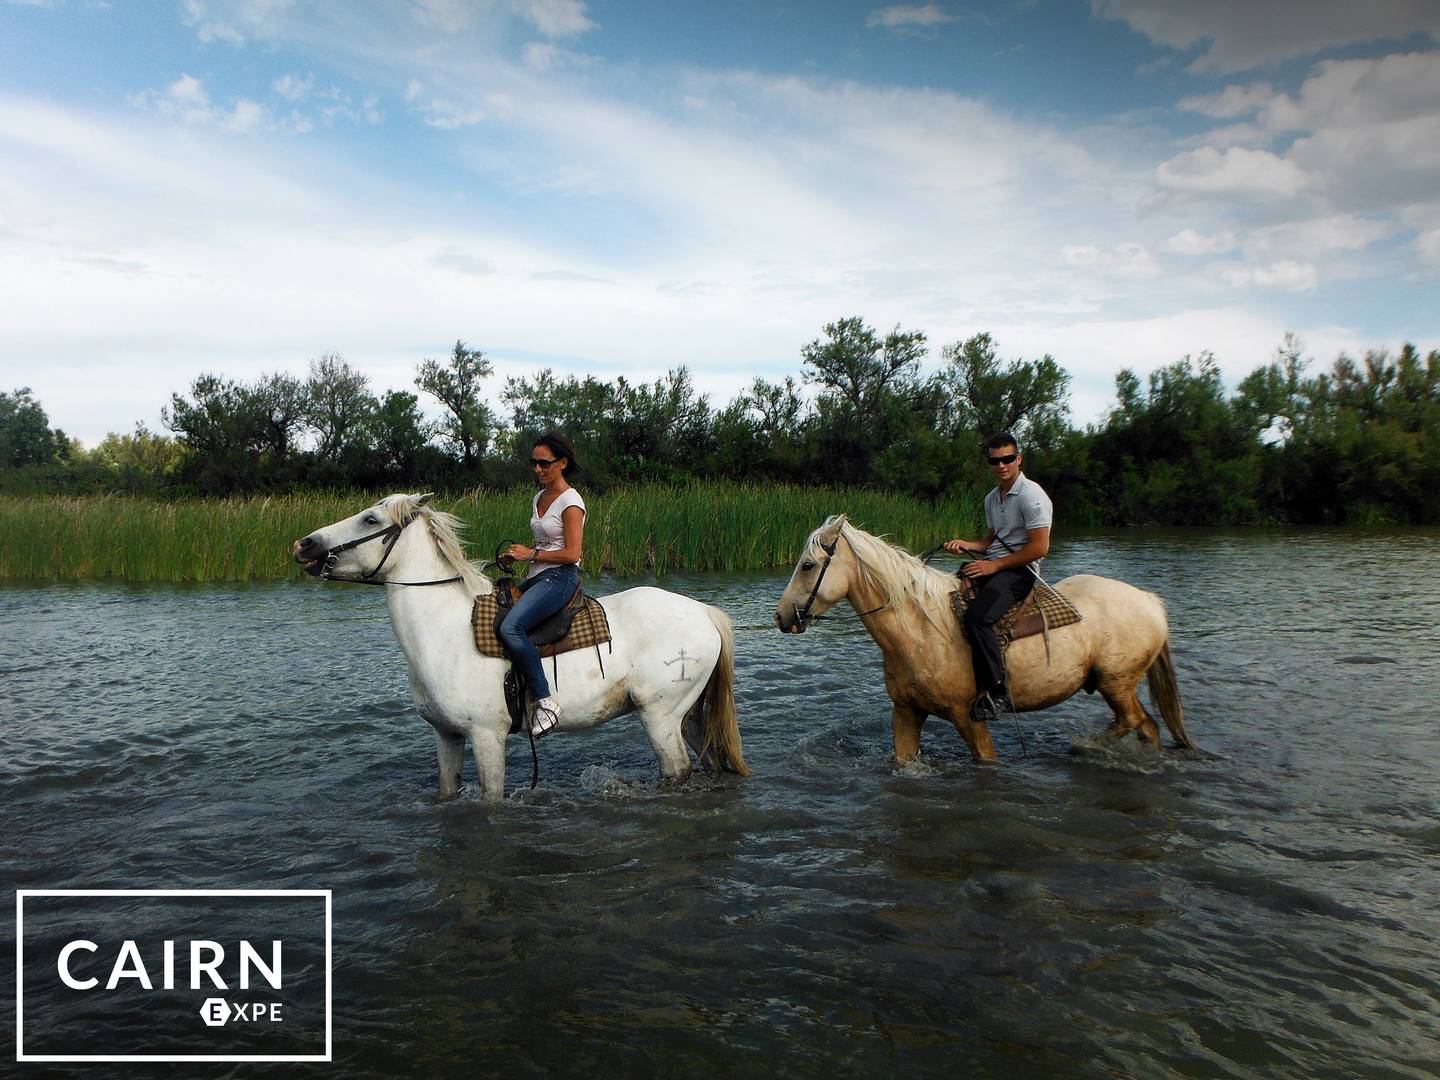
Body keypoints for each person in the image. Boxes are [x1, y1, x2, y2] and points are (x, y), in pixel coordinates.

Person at [942, 431, 1053, 724]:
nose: (1001, 465)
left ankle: (996, 690)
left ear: (1019, 459)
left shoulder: (1032, 496)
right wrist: (967, 545)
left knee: (978, 617)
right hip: (998, 562)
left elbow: (1040, 548)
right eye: (995, 460)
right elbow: (991, 540)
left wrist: (994, 567)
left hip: (1021, 570)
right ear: (989, 463)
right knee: (945, 597)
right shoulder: (992, 498)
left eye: (1007, 459)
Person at [499, 431, 586, 738]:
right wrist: (515, 557)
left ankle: (545, 701)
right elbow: (544, 543)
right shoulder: (539, 497)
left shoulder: (571, 502)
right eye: (533, 462)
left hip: (561, 577)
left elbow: (573, 553)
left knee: (511, 628)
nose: (537, 469)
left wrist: (531, 554)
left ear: (562, 463)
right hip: (538, 574)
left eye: (544, 463)